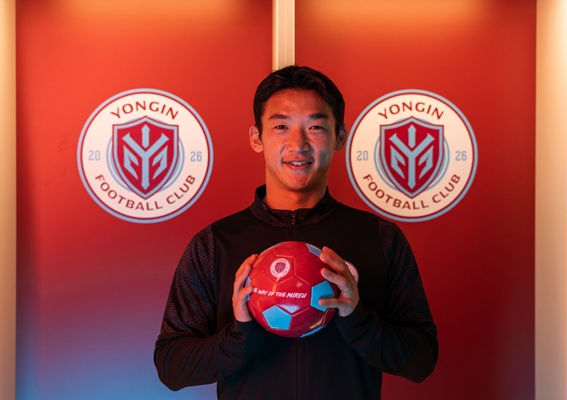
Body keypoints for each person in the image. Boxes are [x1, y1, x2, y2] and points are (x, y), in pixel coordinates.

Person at [154, 65, 438, 399]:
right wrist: (241, 335)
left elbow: (420, 360)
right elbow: (172, 366)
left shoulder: (380, 238)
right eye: (281, 126)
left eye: (315, 127)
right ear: (257, 138)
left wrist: (357, 319)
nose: (298, 143)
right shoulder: (215, 243)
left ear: (340, 136)